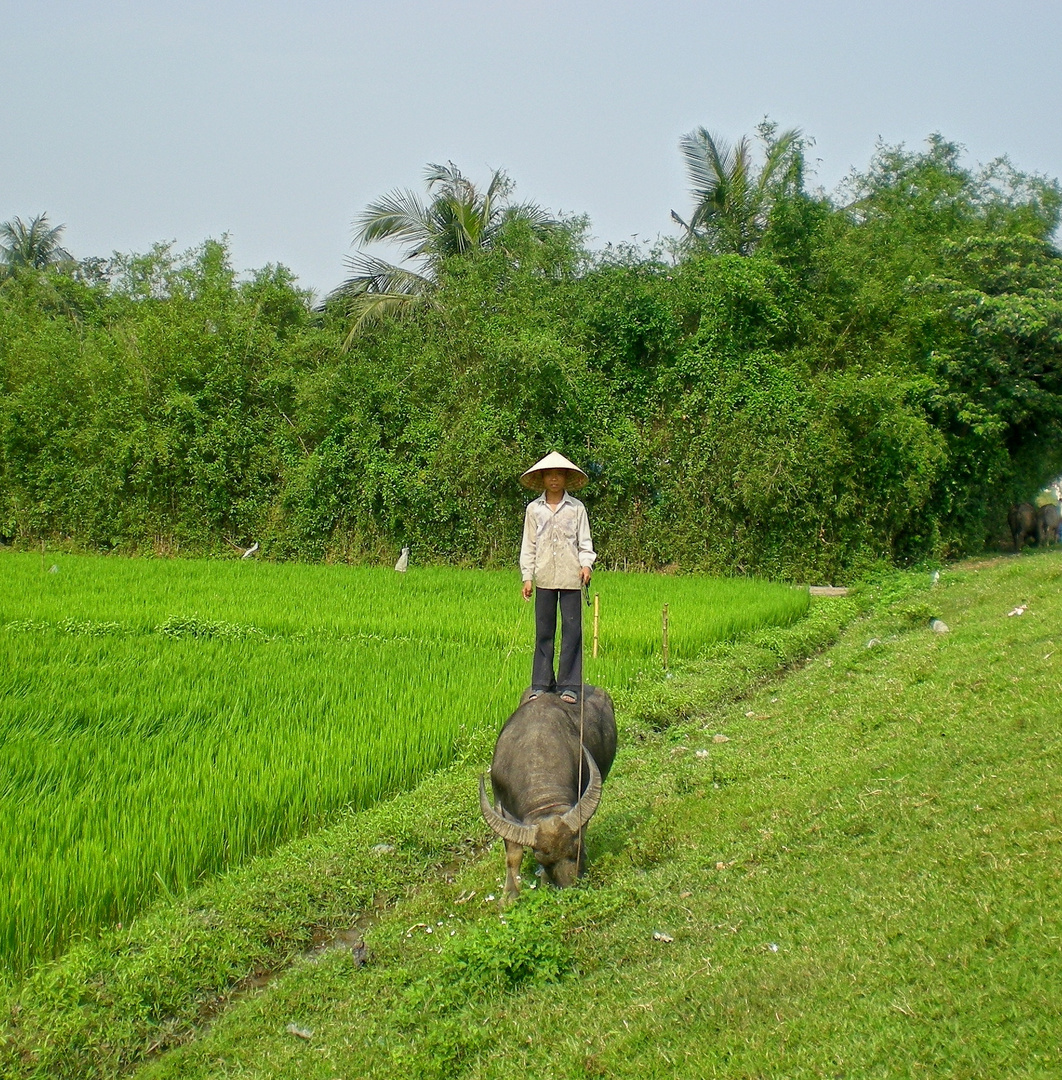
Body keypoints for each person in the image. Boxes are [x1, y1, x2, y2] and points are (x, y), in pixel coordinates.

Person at [519, 451, 596, 704]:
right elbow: (528, 545)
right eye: (549, 475)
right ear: (542, 479)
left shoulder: (576, 509)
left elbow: (585, 543)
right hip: (543, 577)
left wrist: (586, 565)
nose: (554, 479)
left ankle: (570, 685)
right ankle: (541, 682)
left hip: (572, 577)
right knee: (544, 631)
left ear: (565, 479)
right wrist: (527, 576)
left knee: (572, 630)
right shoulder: (534, 510)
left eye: (558, 475)